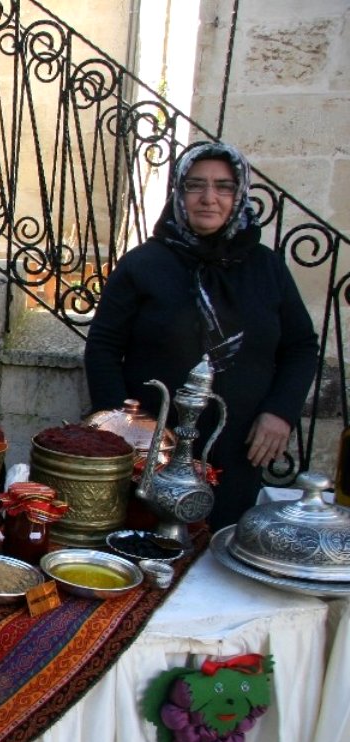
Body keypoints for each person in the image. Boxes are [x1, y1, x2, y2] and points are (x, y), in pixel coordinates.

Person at [85, 141, 319, 530]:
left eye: (223, 187)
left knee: (223, 546)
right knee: (151, 547)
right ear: (179, 192)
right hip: (154, 449)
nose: (209, 198)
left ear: (239, 193)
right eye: (195, 185)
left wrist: (281, 411)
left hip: (240, 441)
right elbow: (104, 349)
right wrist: (121, 433)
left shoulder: (267, 268)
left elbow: (301, 347)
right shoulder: (143, 266)